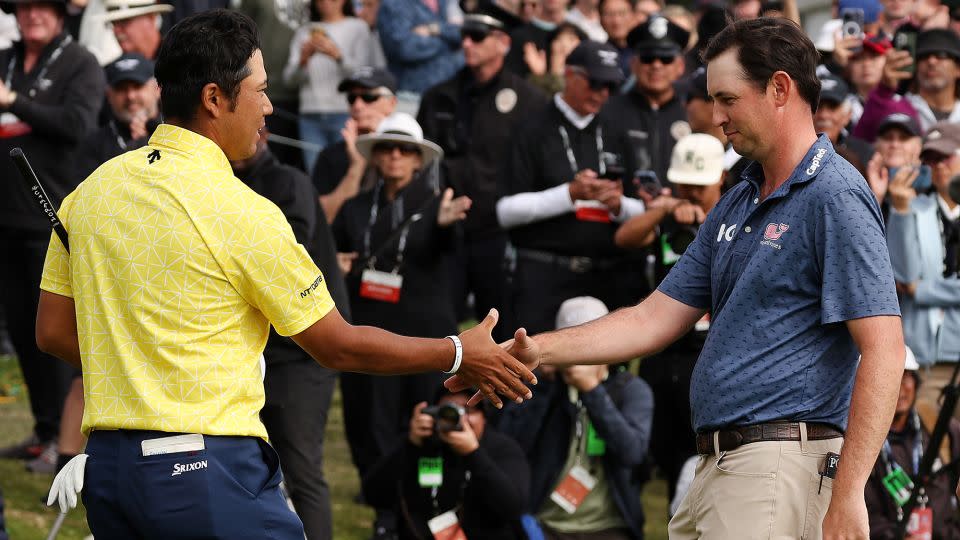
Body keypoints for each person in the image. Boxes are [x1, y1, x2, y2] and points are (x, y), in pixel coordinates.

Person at [37, 11, 534, 538]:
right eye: (260, 90)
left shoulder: (90, 192)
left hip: (114, 471)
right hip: (204, 472)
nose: (269, 106)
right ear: (213, 98)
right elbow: (336, 345)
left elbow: (53, 333)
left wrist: (143, 362)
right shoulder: (240, 210)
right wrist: (458, 351)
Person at [459, 17, 906, 538]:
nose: (715, 117)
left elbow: (885, 349)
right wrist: (536, 350)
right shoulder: (739, 197)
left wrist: (850, 494)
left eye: (728, 99)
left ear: (779, 88)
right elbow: (653, 317)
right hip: (722, 467)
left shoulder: (836, 196)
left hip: (779, 467)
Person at [331, 111, 472, 537]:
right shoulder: (357, 208)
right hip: (369, 331)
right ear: (375, 156)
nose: (394, 156)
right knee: (369, 421)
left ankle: (425, 505)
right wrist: (338, 265)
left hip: (423, 334)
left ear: (418, 160)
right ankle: (384, 510)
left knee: (421, 419)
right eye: (387, 148)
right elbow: (333, 255)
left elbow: (450, 249)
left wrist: (446, 226)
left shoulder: (436, 203)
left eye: (405, 150)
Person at [0, 0, 105, 463]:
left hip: (51, 219)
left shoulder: (80, 62)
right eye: (23, 8)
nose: (32, 15)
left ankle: (68, 443)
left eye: (42, 7)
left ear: (62, 14)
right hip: (4, 217)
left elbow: (77, 125)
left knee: (56, 335)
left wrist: (14, 102)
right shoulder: (5, 57)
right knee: (22, 332)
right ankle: (43, 432)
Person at [230, 129, 347, 540]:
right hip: (254, 350)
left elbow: (281, 256)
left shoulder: (288, 183)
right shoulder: (221, 185)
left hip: (303, 352)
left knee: (300, 470)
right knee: (248, 468)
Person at [496, 41, 645, 336]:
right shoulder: (531, 128)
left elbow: (642, 209)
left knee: (603, 372)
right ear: (569, 75)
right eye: (595, 83)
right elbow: (505, 212)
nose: (602, 93)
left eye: (611, 86)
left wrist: (618, 205)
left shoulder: (616, 131)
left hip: (604, 273)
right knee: (537, 372)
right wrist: (569, 195)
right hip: (543, 273)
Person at [417, 3, 547, 340]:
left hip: (500, 232)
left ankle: (498, 394)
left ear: (503, 42)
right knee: (438, 325)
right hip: (447, 229)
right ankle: (440, 394)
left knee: (502, 328)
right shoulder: (439, 97)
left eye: (477, 36)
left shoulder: (529, 100)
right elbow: (425, 164)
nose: (467, 44)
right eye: (464, 36)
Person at [613, 134, 724, 502]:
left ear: (719, 178)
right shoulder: (666, 219)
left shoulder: (733, 219)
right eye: (684, 185)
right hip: (661, 351)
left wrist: (708, 219)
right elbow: (625, 239)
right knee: (662, 450)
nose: (691, 194)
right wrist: (663, 210)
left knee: (704, 453)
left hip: (708, 354)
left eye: (699, 186)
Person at [499, 296, 653, 540]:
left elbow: (632, 453)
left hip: (609, 526)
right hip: (544, 525)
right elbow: (512, 445)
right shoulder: (545, 388)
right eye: (573, 344)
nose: (580, 354)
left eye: (588, 343)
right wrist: (543, 385)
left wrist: (592, 391)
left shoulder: (630, 390)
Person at [363, 385, 530, 540]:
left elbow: (513, 507)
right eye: (448, 411)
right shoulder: (422, 444)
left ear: (484, 417)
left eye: (468, 410)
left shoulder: (502, 448)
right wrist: (411, 445)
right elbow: (373, 494)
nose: (458, 419)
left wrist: (473, 454)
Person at [887, 121, 960, 420]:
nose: (938, 165)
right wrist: (901, 210)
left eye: (946, 157)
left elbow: (916, 286)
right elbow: (903, 276)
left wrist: (924, 290)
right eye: (930, 159)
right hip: (925, 362)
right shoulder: (914, 208)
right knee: (931, 457)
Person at [864, 348, 960, 538]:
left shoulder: (940, 427)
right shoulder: (863, 441)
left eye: (905, 376)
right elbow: (867, 512)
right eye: (890, 377)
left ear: (916, 382)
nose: (899, 387)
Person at [283, 0, 374, 173]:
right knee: (316, 174)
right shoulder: (304, 31)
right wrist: (303, 60)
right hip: (310, 114)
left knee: (347, 171)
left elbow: (365, 74)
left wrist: (337, 55)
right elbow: (289, 80)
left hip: (345, 112)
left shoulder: (357, 27)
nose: (325, 3)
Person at [602, 14, 689, 185]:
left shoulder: (691, 112)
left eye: (666, 59)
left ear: (680, 66)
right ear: (633, 64)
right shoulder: (609, 111)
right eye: (647, 58)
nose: (656, 65)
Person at [313, 66, 398, 222]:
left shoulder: (410, 148)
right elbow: (321, 221)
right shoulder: (330, 156)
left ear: (392, 103)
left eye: (369, 97)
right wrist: (356, 167)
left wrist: (379, 142)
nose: (357, 106)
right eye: (352, 98)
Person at [233, 0, 309, 169]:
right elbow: (237, 33)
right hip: (266, 91)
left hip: (308, 95)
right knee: (268, 162)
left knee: (302, 167)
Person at [75, 53, 161, 181]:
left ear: (157, 89)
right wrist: (135, 147)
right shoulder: (93, 145)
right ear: (109, 95)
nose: (130, 96)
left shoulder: (177, 129)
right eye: (121, 89)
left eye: (137, 87)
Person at [377, 0, 464, 111]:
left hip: (451, 96)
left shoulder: (447, 2)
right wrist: (449, 43)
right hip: (411, 98)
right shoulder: (394, 3)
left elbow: (462, 33)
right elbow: (405, 48)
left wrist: (434, 29)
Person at [864, 111, 922, 208]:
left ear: (919, 145)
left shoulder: (933, 182)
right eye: (888, 138)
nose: (894, 144)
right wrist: (876, 198)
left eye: (904, 138)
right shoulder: (862, 182)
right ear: (876, 145)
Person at [815, 71, 874, 166]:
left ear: (847, 115)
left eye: (832, 107)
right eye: (817, 107)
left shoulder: (864, 153)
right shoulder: (793, 151)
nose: (823, 115)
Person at [102, 0, 172, 59]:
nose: (116, 30)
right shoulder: (111, 71)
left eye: (124, 21)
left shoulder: (178, 62)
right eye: (113, 23)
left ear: (151, 18)